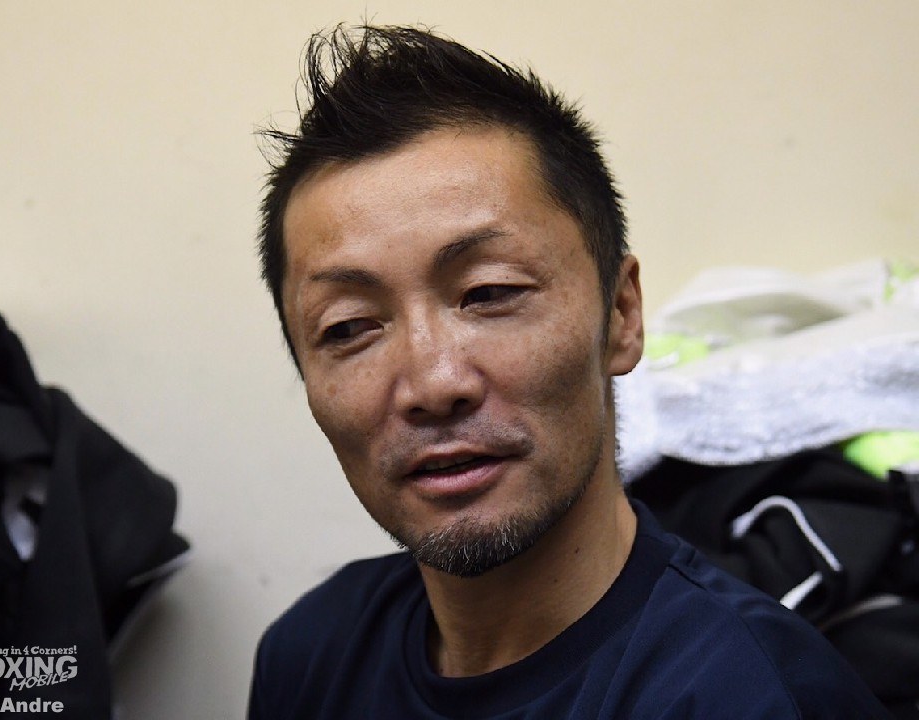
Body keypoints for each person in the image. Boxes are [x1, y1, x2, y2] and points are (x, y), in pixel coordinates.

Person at [247, 24, 889, 719]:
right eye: (348, 327)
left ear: (621, 315)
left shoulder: (750, 696)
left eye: (489, 292)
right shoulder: (312, 652)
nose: (432, 384)